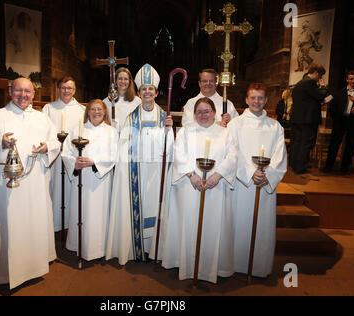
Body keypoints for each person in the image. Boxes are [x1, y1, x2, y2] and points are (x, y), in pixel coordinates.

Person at [0, 77, 60, 289]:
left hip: (36, 180)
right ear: (10, 91)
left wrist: (47, 147)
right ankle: (5, 272)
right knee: (7, 225)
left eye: (28, 92)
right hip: (7, 184)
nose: (23, 95)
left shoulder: (41, 118)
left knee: (35, 221)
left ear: (34, 94)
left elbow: (55, 141)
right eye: (18, 91)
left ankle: (34, 265)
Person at [161, 97, 238, 283]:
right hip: (190, 187)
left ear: (214, 112)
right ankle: (187, 265)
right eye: (199, 112)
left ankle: (211, 268)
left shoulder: (225, 133)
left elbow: (233, 155)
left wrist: (218, 175)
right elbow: (178, 152)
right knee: (189, 224)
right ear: (194, 115)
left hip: (216, 187)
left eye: (207, 111)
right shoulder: (186, 131)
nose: (203, 115)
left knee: (213, 226)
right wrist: (191, 175)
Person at [106, 64, 174, 265]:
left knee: (155, 207)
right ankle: (137, 248)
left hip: (156, 173)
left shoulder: (164, 118)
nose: (146, 92)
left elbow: (170, 148)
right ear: (139, 92)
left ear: (156, 92)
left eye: (150, 89)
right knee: (138, 207)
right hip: (135, 172)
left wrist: (169, 131)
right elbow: (124, 144)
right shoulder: (131, 117)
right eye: (143, 89)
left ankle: (153, 248)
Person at [227, 83, 287, 278]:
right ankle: (234, 264)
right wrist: (250, 172)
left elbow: (280, 156)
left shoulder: (275, 126)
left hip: (264, 184)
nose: (256, 102)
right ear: (246, 100)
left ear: (266, 101)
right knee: (238, 223)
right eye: (253, 98)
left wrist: (267, 175)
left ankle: (258, 267)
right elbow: (232, 152)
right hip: (241, 183)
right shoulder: (236, 124)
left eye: (260, 98)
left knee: (261, 226)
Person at [61, 99, 118, 261]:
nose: (96, 112)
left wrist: (94, 162)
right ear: (88, 112)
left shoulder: (111, 131)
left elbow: (114, 155)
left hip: (100, 181)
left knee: (98, 215)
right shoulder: (77, 130)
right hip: (82, 179)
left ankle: (98, 249)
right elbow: (66, 152)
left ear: (105, 111)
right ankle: (77, 245)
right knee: (81, 211)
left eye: (99, 109)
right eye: (92, 109)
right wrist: (74, 163)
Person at [42, 77, 85, 233]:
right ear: (58, 89)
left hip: (72, 157)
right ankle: (55, 224)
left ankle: (70, 224)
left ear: (74, 90)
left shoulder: (81, 110)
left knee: (72, 189)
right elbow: (42, 131)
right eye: (63, 88)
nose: (66, 91)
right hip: (54, 157)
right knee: (54, 188)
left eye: (70, 88)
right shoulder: (48, 108)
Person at [324, 70, 354, 173]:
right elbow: (332, 108)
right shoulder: (339, 92)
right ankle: (328, 167)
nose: (353, 81)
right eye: (351, 79)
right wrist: (337, 119)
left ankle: (344, 168)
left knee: (350, 146)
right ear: (347, 80)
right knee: (334, 144)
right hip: (340, 121)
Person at [290, 64, 328, 174]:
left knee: (297, 142)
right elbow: (320, 95)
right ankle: (301, 168)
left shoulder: (300, 83)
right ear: (316, 73)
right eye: (320, 76)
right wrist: (323, 87)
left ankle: (294, 165)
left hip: (298, 118)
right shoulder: (309, 83)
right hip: (308, 119)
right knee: (306, 143)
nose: (320, 79)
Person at [103, 67, 141, 132]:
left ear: (129, 81)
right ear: (115, 81)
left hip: (130, 138)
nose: (123, 81)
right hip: (112, 138)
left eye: (125, 79)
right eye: (120, 79)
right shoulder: (106, 102)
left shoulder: (137, 101)